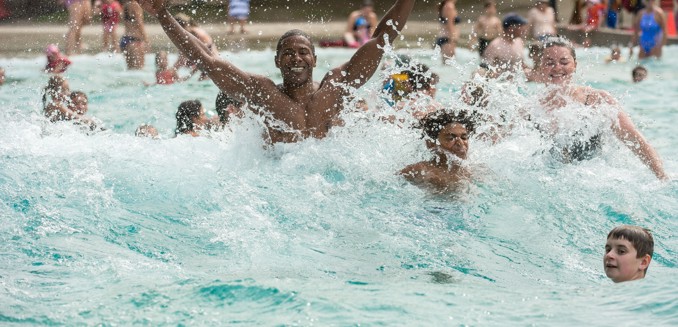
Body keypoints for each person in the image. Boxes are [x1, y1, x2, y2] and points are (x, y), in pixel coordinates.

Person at [138, 0, 416, 144]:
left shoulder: (335, 88)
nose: (296, 58)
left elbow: (382, 39)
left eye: (303, 52)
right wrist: (162, 14)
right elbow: (208, 61)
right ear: (277, 62)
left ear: (315, 60)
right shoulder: (262, 92)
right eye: (288, 53)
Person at [536, 36, 667, 179]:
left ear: (575, 65)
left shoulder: (598, 100)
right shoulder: (530, 109)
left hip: (591, 180)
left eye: (564, 62)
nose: (557, 68)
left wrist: (662, 176)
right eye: (549, 62)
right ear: (540, 66)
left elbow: (635, 139)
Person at [400, 109, 476, 192]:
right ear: (431, 144)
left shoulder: (474, 172)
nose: (460, 143)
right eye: (451, 138)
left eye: (464, 137)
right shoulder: (419, 171)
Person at [173, 13, 218, 81]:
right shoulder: (183, 37)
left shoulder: (200, 34)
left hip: (212, 63)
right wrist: (173, 70)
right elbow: (181, 58)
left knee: (203, 79)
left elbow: (205, 58)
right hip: (200, 62)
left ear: (186, 25)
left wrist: (187, 77)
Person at [121, 0, 148, 69]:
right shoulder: (135, 5)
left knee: (130, 70)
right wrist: (146, 39)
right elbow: (139, 22)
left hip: (125, 40)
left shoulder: (126, 5)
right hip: (135, 40)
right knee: (139, 69)